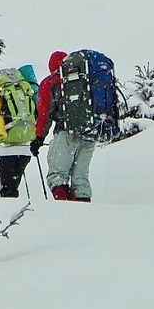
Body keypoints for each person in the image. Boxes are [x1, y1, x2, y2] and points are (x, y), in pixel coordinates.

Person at [30, 50, 95, 202]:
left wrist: (39, 138)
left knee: (57, 176)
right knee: (81, 180)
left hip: (66, 132)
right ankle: (86, 212)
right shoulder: (85, 78)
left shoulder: (51, 81)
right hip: (89, 133)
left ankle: (64, 211)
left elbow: (44, 113)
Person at [0, 64, 39, 198]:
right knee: (13, 184)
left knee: (8, 189)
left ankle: (9, 213)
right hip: (25, 147)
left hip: (5, 148)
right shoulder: (25, 91)